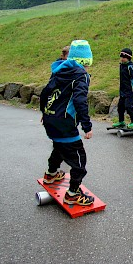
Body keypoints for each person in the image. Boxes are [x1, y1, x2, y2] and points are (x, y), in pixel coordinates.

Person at [40, 40, 94, 206]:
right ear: (86, 61)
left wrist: (44, 112)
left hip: (50, 118)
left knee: (59, 147)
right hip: (65, 123)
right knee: (79, 161)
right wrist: (87, 126)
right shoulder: (81, 75)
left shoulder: (59, 70)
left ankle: (50, 174)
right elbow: (80, 101)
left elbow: (45, 91)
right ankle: (72, 194)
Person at [112, 48, 133, 129]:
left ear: (128, 58)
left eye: (124, 57)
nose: (122, 58)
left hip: (130, 92)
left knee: (128, 106)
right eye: (121, 57)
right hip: (123, 91)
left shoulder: (130, 67)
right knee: (120, 107)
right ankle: (121, 121)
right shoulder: (121, 66)